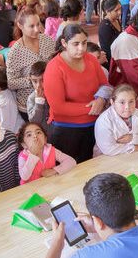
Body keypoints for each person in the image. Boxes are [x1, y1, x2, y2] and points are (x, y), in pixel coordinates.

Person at [44, 24, 110, 162]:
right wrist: (92, 107)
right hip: (67, 131)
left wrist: (101, 99)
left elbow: (105, 85)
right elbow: (58, 107)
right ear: (64, 43)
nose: (81, 48)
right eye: (76, 44)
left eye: (84, 43)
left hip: (94, 125)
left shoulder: (91, 59)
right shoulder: (54, 67)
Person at [6, 8, 56, 119]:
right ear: (20, 26)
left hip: (51, 99)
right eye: (31, 26)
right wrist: (33, 81)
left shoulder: (47, 40)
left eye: (38, 24)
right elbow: (10, 82)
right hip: (29, 105)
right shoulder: (15, 51)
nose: (37, 29)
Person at [94, 84, 138, 156]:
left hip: (132, 155)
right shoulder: (104, 120)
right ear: (112, 102)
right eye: (122, 102)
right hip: (105, 158)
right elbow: (108, 149)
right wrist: (133, 147)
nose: (127, 107)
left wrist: (131, 138)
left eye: (131, 101)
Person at [0, 66, 24, 134]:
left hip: (14, 131)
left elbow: (6, 123)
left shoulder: (6, 101)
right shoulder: (2, 90)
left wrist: (2, 134)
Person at [97, 0, 121, 64]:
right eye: (116, 10)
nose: (119, 12)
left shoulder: (117, 20)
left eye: (120, 9)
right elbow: (108, 50)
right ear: (107, 11)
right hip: (111, 60)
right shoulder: (104, 27)